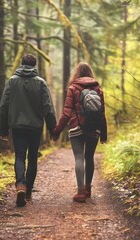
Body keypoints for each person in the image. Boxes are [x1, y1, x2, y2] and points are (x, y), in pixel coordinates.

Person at [0, 54, 57, 207]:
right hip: (35, 127)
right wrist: (53, 128)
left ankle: (20, 186)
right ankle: (29, 191)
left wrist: (2, 128)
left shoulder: (12, 81)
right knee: (32, 158)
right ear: (34, 65)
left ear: (21, 64)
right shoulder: (41, 83)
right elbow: (47, 108)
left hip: (17, 126)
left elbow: (4, 106)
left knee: (19, 156)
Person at [52, 62, 107, 203]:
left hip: (76, 127)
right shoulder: (98, 89)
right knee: (89, 157)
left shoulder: (72, 88)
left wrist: (57, 131)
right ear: (90, 73)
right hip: (93, 128)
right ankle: (88, 189)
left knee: (79, 158)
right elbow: (101, 114)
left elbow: (66, 113)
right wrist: (103, 134)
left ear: (76, 73)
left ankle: (80, 191)